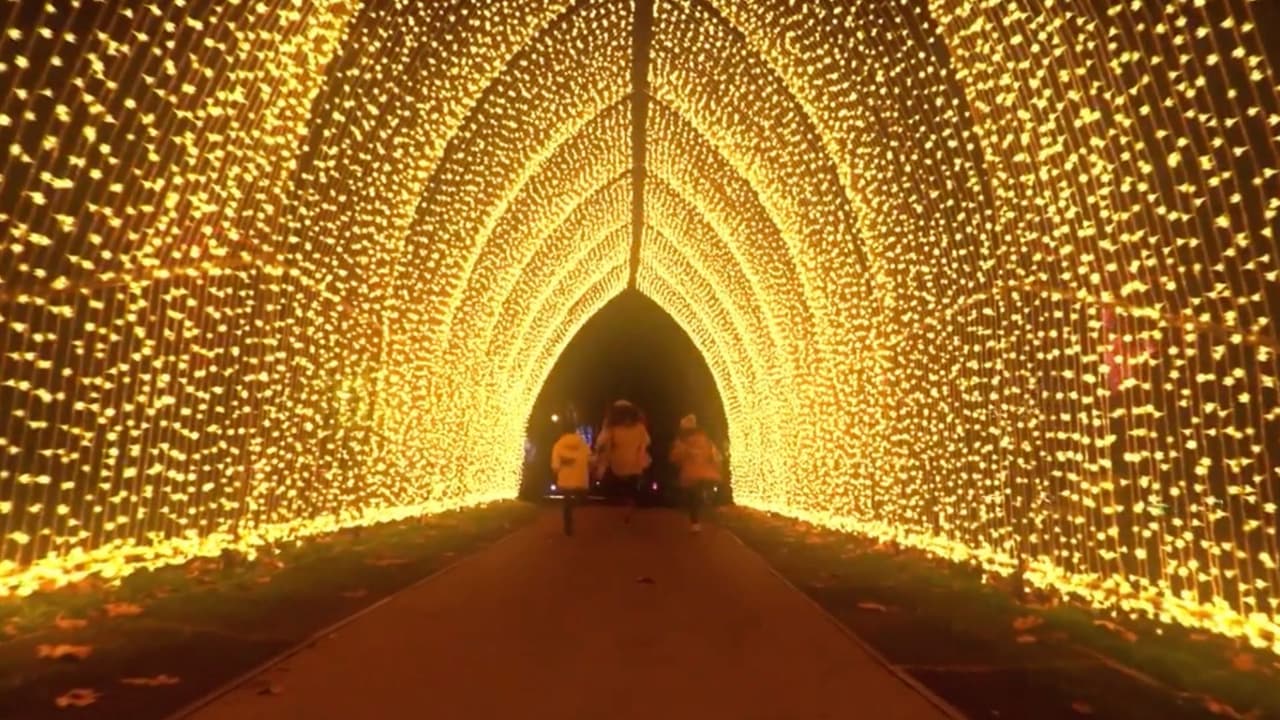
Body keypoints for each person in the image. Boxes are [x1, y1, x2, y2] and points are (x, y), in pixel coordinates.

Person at [593, 400, 651, 522]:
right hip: (635, 464)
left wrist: (599, 453)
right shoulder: (640, 427)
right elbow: (646, 442)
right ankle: (629, 505)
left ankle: (625, 505)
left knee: (620, 486)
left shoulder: (611, 428)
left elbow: (600, 442)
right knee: (631, 487)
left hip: (617, 463)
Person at [668, 414, 722, 533]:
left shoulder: (681, 441)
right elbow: (712, 454)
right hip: (706, 471)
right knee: (698, 492)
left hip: (690, 473)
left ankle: (695, 521)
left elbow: (675, 456)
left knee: (692, 497)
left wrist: (680, 457)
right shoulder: (704, 439)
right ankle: (707, 503)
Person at [551, 418, 591, 536]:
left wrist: (557, 471)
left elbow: (555, 466)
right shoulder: (583, 444)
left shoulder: (558, 445)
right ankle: (584, 525)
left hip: (565, 481)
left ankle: (568, 527)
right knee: (581, 502)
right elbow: (590, 459)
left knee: (567, 505)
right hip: (581, 481)